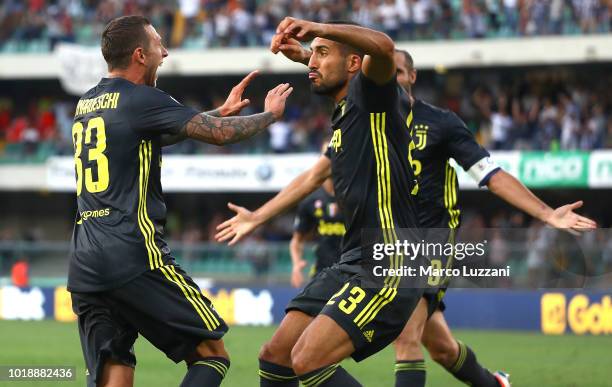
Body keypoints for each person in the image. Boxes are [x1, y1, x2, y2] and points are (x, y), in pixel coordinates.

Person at [216, 44, 597, 387]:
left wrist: (546, 214)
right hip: (370, 245)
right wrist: (258, 216)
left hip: (425, 242)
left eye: (393, 73)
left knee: (406, 341)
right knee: (442, 348)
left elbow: (491, 176)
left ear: (410, 77)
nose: (382, 80)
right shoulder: (362, 116)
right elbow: (316, 174)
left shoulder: (441, 123)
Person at [67, 15, 293, 387]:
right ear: (140, 55)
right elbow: (218, 137)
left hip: (85, 262)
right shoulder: (141, 98)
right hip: (132, 252)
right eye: (159, 44)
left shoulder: (87, 103)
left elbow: (150, 132)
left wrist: (217, 112)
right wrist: (270, 115)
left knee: (114, 373)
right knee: (211, 356)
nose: (166, 51)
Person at [218, 17, 425, 386]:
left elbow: (383, 48)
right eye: (312, 57)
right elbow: (313, 177)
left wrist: (317, 28)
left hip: (390, 259)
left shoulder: (373, 96)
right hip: (353, 258)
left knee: (308, 359)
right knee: (275, 357)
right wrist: (258, 217)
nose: (312, 63)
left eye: (322, 55)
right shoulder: (347, 112)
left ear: (353, 66)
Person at [290, 164, 344, 289]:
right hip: (322, 271)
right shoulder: (310, 200)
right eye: (328, 154)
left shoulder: (355, 195)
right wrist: (296, 264)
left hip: (353, 272)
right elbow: (297, 240)